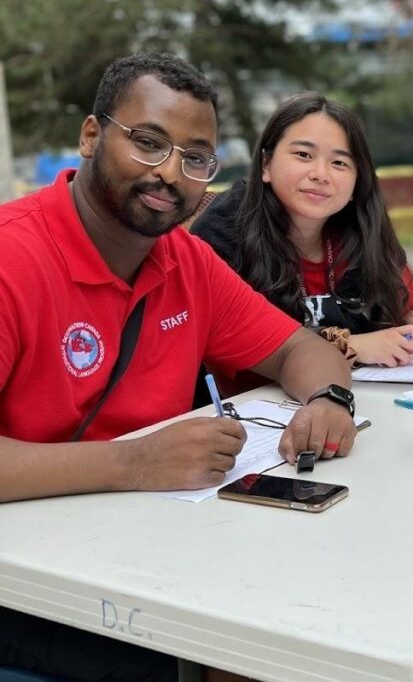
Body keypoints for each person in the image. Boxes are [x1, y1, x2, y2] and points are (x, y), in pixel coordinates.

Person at [0, 53, 360, 680]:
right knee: (246, 644)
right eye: (148, 142)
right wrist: (133, 463)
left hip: (147, 550)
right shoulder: (13, 257)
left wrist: (328, 400)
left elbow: (300, 348)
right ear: (91, 137)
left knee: (313, 605)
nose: (170, 172)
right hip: (30, 580)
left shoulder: (185, 261)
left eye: (195, 157)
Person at [191, 93, 413, 394]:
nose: (320, 175)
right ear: (266, 164)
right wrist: (351, 345)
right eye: (303, 155)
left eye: (339, 162)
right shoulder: (223, 232)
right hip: (254, 411)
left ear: (358, 182)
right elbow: (229, 347)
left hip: (357, 399)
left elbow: (411, 303)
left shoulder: (362, 230)